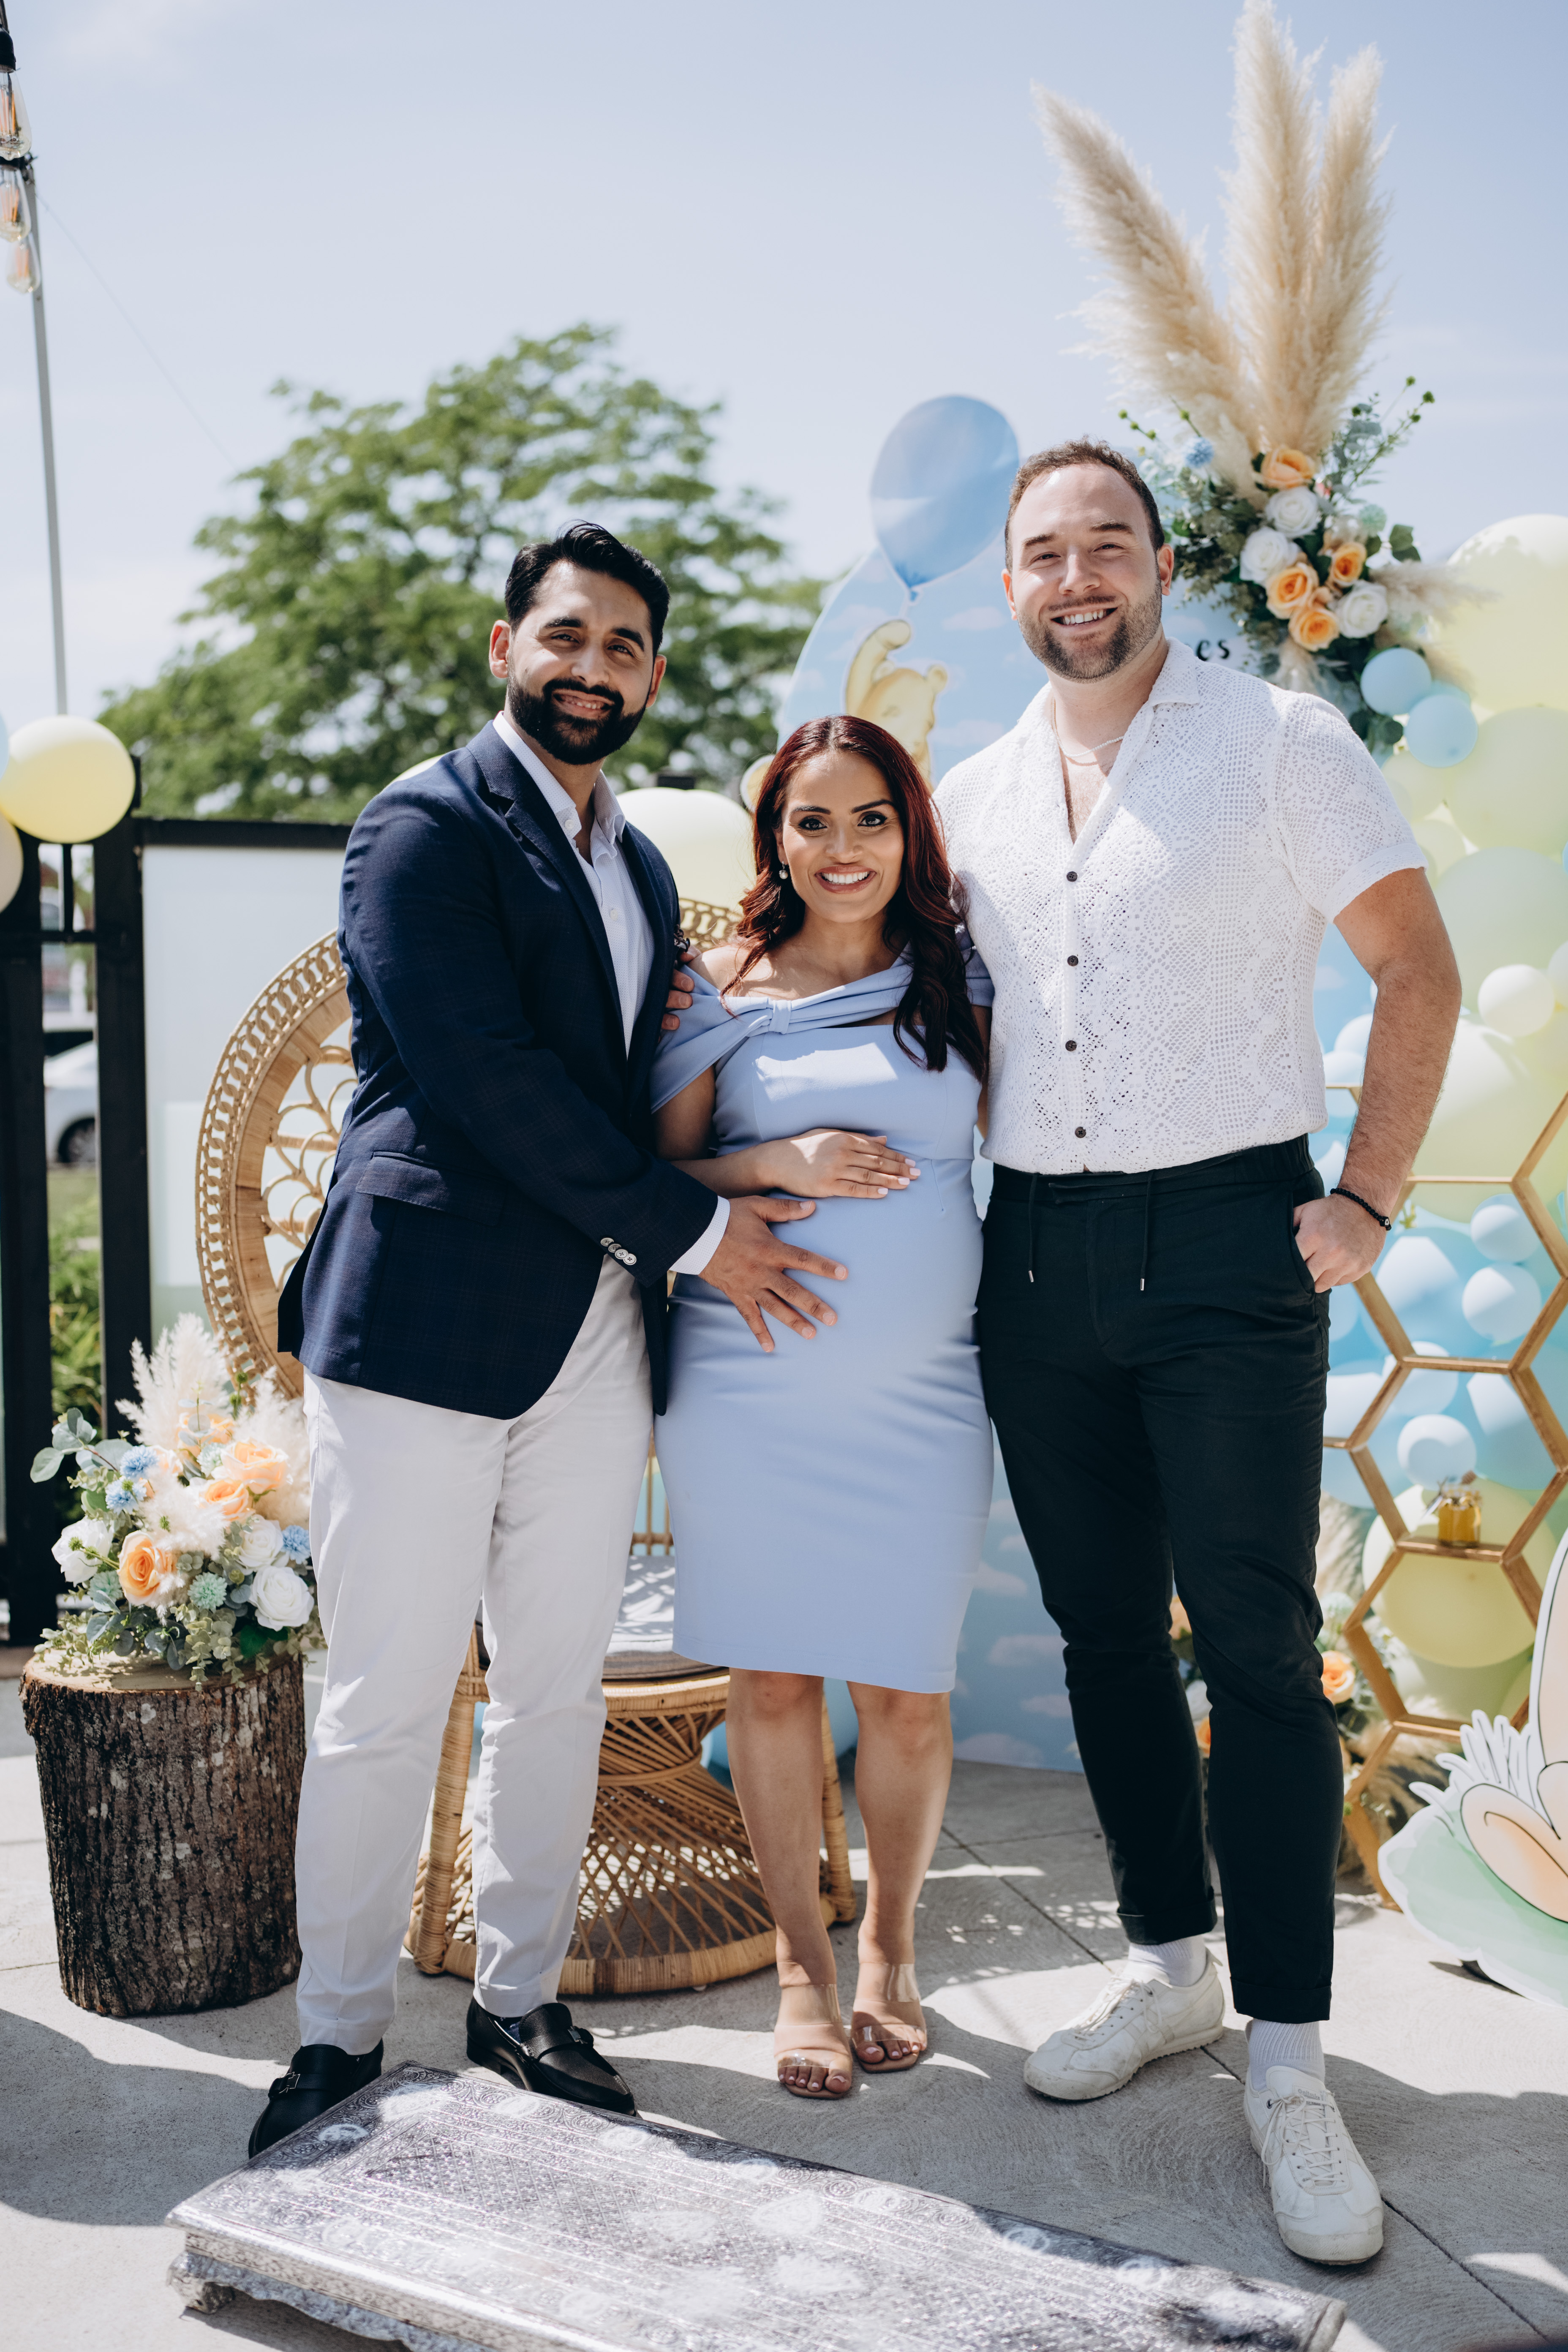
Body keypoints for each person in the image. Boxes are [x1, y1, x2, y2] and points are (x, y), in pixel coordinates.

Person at [249, 524, 847, 2155]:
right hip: (426, 1325)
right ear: (507, 646)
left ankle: (520, 2007)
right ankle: (337, 2038)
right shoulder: (421, 827)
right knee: (384, 1700)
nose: (595, 668)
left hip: (597, 1327)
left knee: (556, 1689)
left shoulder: (636, 866)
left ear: (651, 677)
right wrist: (707, 1235)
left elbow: (638, 1096)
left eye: (626, 646)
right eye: (568, 636)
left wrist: (759, 1159)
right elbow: (485, 1080)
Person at [934, 441, 1460, 2265]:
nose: (1076, 576)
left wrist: (1367, 1196)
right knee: (1103, 1637)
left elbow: (1417, 969)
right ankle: (1171, 1973)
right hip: (1034, 1250)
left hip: (1233, 1238)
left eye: (1107, 543)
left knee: (1253, 1646)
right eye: (1043, 552)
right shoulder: (970, 795)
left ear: (1161, 565)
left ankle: (1292, 2063)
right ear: (1008, 584)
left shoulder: (1283, 744)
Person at [653, 715, 995, 2100]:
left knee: (908, 1692)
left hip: (928, 1393)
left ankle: (892, 1952)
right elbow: (654, 1177)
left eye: (871, 819)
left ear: (909, 832)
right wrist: (775, 1159)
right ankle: (800, 1967)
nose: (843, 848)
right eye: (813, 821)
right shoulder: (715, 987)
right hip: (748, 1387)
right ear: (775, 838)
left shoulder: (960, 975)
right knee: (778, 1680)